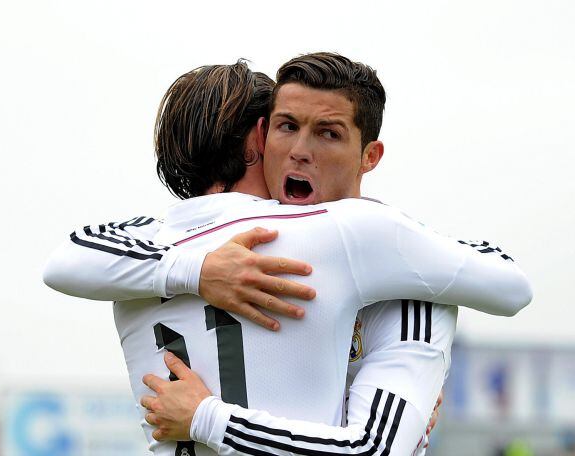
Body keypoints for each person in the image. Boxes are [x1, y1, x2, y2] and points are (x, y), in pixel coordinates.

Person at [44, 53, 532, 455]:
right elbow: (510, 284)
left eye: (326, 132)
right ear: (259, 137)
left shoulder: (135, 254)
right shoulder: (349, 232)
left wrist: (192, 270)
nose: (299, 150)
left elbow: (63, 262)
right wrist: (207, 417)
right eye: (285, 127)